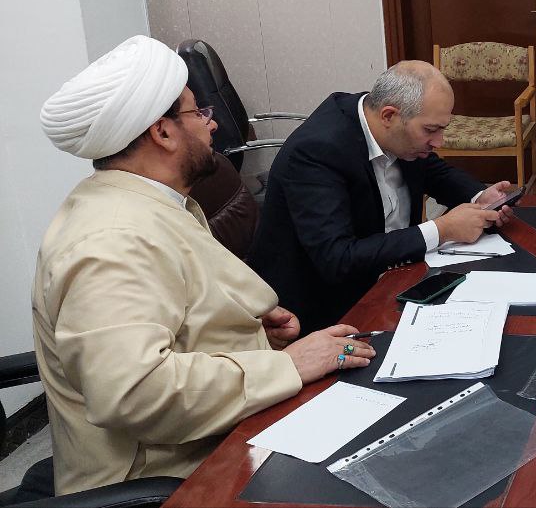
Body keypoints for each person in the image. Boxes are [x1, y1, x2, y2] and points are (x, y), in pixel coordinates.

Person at [33, 36, 375, 496]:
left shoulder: (144, 201)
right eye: (199, 113)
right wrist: (287, 365)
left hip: (213, 438)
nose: (212, 125)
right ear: (163, 132)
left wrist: (246, 333)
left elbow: (171, 307)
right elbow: (135, 393)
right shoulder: (112, 241)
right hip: (169, 480)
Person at [249, 61, 514, 333]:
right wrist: (441, 229)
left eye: (442, 129)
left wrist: (479, 196)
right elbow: (338, 259)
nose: (439, 142)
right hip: (324, 312)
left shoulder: (391, 124)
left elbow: (432, 171)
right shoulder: (317, 152)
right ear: (389, 116)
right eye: (430, 130)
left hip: (396, 279)